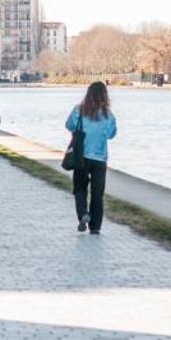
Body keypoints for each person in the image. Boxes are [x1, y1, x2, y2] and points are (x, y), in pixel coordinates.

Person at [65, 81, 118, 234]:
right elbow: (111, 134)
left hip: (81, 156)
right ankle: (95, 227)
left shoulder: (79, 110)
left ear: (88, 94)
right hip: (100, 159)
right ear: (104, 96)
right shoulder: (108, 115)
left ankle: (83, 214)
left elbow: (69, 125)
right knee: (97, 194)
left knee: (80, 188)